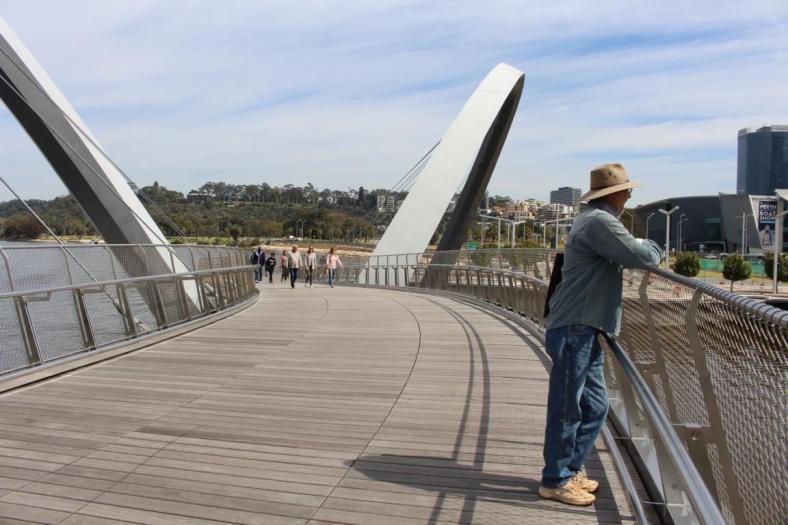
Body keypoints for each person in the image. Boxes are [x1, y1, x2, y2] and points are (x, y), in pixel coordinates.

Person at [539, 164, 662, 506]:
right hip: (575, 327)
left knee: (595, 406)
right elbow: (642, 256)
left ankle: (571, 468)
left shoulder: (593, 219)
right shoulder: (600, 222)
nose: (630, 196)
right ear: (613, 194)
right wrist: (653, 244)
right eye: (627, 191)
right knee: (567, 408)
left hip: (584, 326)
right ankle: (556, 480)